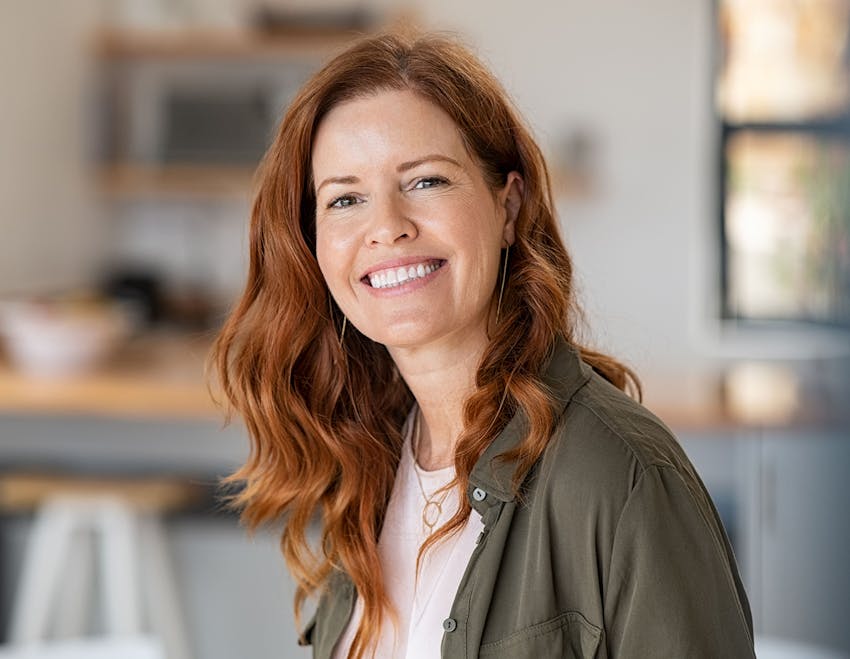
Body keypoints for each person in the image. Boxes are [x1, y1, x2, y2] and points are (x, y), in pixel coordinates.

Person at [211, 31, 756, 659]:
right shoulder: (365, 461)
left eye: (426, 182)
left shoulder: (621, 478)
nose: (386, 227)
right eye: (346, 198)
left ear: (509, 205)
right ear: (312, 243)